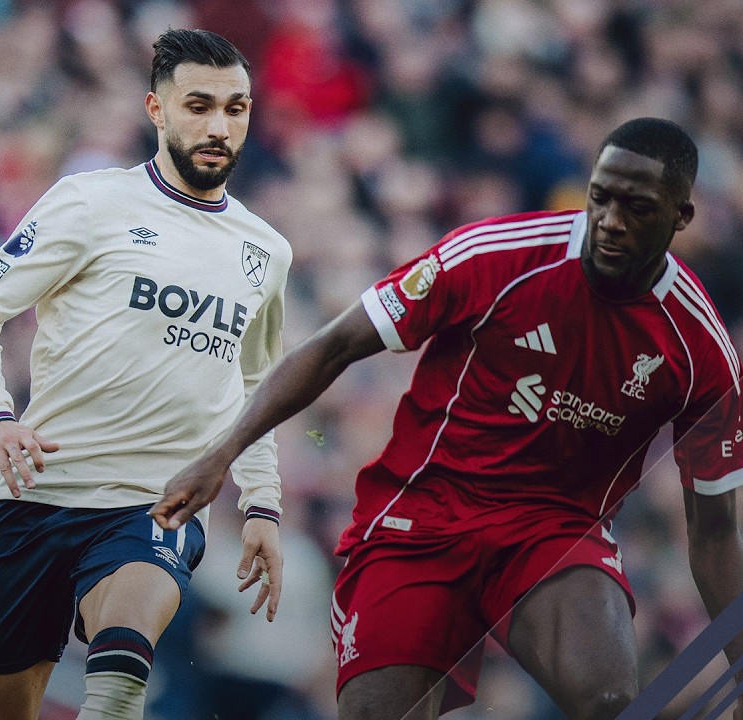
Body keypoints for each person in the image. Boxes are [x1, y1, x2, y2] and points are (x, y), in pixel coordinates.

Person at [153, 117, 743, 719]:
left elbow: (716, 530)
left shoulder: (701, 350)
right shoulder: (495, 256)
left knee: (610, 702)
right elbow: (334, 346)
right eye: (601, 197)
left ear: (681, 217)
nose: (611, 221)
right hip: (425, 514)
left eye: (637, 207)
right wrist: (221, 454)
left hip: (555, 530)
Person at [0, 29, 292, 720]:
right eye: (198, 106)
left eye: (235, 108)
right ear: (156, 110)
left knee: (121, 670)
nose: (219, 126)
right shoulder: (90, 202)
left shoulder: (267, 250)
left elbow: (254, 384)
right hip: (34, 495)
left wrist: (262, 503)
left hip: (154, 503)